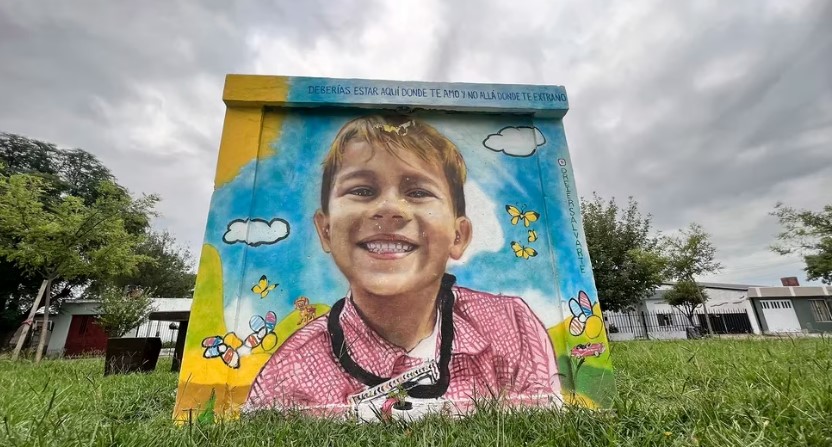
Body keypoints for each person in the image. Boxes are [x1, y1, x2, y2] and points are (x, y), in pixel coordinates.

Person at [245, 115, 559, 416]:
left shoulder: (512, 328)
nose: (390, 209)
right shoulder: (290, 373)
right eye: (362, 191)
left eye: (418, 192)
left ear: (458, 235)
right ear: (325, 230)